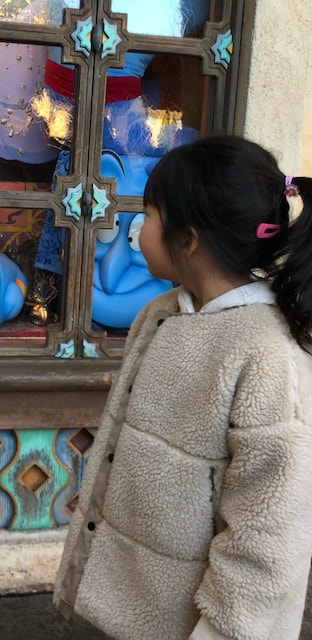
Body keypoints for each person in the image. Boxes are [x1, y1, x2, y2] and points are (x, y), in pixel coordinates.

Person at [53, 135, 312, 640]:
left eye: (147, 216)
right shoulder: (161, 313)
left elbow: (268, 533)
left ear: (188, 240)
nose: (139, 229)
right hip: (122, 605)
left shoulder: (268, 351)